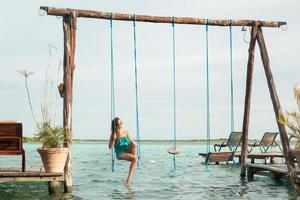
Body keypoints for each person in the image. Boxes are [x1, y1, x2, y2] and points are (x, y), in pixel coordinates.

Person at [108, 117, 138, 186]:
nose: (122, 123)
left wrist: (134, 143)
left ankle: (133, 159)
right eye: (120, 123)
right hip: (120, 153)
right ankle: (128, 181)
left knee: (133, 144)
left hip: (129, 150)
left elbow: (132, 141)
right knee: (135, 159)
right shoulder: (114, 135)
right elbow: (110, 147)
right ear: (117, 126)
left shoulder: (126, 132)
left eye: (122, 122)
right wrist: (113, 139)